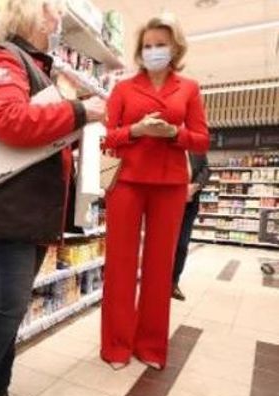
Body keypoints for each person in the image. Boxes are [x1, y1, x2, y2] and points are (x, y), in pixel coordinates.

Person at [0, 0, 106, 396]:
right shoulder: (4, 58)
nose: (59, 19)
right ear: (36, 14)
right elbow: (8, 120)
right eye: (55, 10)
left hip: (28, 213)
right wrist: (79, 112)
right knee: (4, 310)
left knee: (12, 311)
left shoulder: (37, 68)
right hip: (6, 212)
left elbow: (39, 135)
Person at [100, 15, 209, 371]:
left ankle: (150, 345)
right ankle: (116, 345)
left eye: (160, 45)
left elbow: (202, 139)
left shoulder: (189, 88)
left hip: (170, 185)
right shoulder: (123, 89)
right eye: (147, 46)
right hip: (127, 183)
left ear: (174, 48)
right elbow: (108, 136)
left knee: (160, 267)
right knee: (120, 264)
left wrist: (172, 135)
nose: (153, 51)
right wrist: (136, 129)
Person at [172, 153, 210, 301]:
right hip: (168, 200)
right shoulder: (169, 143)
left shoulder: (196, 147)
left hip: (189, 204)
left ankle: (173, 282)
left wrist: (195, 186)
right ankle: (158, 282)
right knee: (163, 244)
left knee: (182, 245)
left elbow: (206, 169)